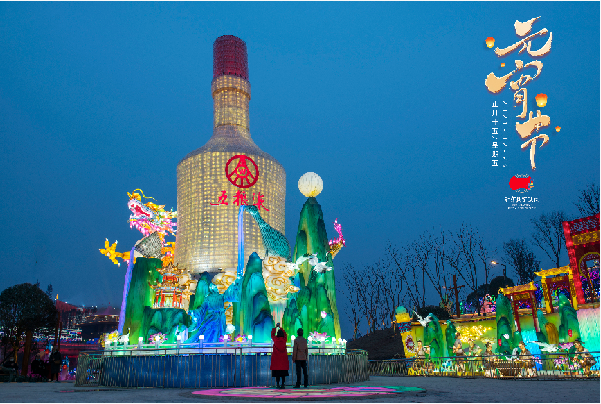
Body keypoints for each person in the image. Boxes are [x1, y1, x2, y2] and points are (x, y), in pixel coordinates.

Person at [270, 323, 289, 388]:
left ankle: (277, 384)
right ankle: (283, 384)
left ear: (277, 334)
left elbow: (272, 334)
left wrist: (275, 327)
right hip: (283, 359)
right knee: (283, 373)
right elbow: (285, 334)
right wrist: (281, 327)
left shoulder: (275, 339)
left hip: (276, 359)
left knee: (277, 373)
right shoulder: (284, 340)